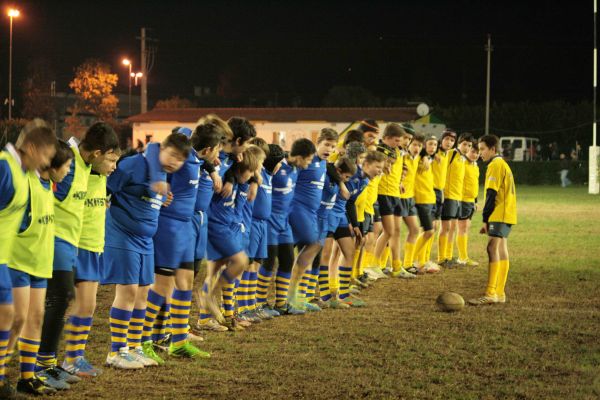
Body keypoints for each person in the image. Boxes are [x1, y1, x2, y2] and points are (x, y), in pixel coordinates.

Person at [37, 122, 119, 389]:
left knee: (83, 304)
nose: (114, 166)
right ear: (96, 153)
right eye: (110, 158)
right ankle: (43, 365)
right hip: (63, 243)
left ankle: (69, 359)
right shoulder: (70, 164)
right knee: (58, 304)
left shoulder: (89, 168)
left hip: (84, 244)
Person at [101, 133, 189, 369]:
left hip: (145, 241)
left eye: (180, 160)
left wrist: (160, 200)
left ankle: (135, 347)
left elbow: (144, 194)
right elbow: (107, 188)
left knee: (142, 294)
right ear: (162, 148)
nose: (174, 162)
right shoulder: (133, 164)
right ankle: (116, 351)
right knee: (128, 291)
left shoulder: (161, 171)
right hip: (123, 236)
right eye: (171, 154)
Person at [8, 139, 72, 395]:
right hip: (18, 263)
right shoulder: (27, 183)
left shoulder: (49, 185)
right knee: (16, 320)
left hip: (40, 265)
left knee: (34, 318)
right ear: (51, 165)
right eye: (66, 166)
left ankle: (27, 376)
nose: (68, 171)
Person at [0, 121, 56, 399]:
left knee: (17, 316)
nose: (46, 163)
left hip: (7, 259)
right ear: (32, 148)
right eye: (45, 156)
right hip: (9, 261)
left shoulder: (22, 172)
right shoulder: (4, 168)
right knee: (11, 316)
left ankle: (10, 378)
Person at [200, 148, 263, 325]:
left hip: (228, 226)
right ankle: (209, 297)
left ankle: (211, 315)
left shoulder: (240, 181)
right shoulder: (226, 179)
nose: (252, 175)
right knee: (240, 262)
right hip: (217, 227)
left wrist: (254, 177)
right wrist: (229, 179)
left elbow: (247, 194)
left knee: (216, 268)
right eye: (250, 170)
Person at [259, 139, 315, 316]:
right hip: (270, 221)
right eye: (308, 159)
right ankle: (260, 304)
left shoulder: (296, 169)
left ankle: (281, 303)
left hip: (284, 223)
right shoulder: (275, 166)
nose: (309, 163)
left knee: (288, 260)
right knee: (268, 263)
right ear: (299, 157)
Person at [287, 129, 339, 311]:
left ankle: (295, 295)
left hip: (311, 214)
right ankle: (289, 296)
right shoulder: (307, 160)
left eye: (333, 146)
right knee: (313, 245)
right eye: (326, 144)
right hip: (297, 210)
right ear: (318, 143)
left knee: (306, 251)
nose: (329, 149)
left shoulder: (324, 164)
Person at [469, 134, 517, 305]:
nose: (480, 152)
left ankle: (491, 293)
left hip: (499, 213)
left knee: (491, 248)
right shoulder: (503, 164)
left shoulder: (495, 165)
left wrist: (485, 219)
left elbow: (491, 194)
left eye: (482, 149)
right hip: (508, 213)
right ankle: (499, 293)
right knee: (501, 249)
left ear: (493, 149)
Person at [373, 123, 415, 278]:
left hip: (395, 194)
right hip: (384, 193)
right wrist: (385, 163)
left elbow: (395, 170)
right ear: (386, 138)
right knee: (388, 231)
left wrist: (400, 183)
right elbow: (381, 164)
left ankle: (397, 266)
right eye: (397, 140)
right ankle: (374, 264)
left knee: (395, 232)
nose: (400, 143)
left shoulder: (398, 151)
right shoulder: (381, 150)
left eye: (401, 140)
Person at [438, 132, 472, 268]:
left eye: (469, 145)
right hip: (448, 196)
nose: (467, 147)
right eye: (464, 144)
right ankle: (441, 258)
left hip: (458, 197)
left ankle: (449, 256)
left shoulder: (463, 159)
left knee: (452, 228)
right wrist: (442, 192)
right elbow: (442, 172)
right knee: (445, 227)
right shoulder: (451, 154)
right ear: (459, 143)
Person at [412, 135, 440, 274]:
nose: (432, 147)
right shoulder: (418, 159)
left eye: (435, 144)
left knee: (431, 230)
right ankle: (413, 261)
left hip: (430, 198)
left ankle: (422, 260)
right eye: (430, 144)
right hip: (421, 198)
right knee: (427, 231)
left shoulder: (429, 159)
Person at [398, 133, 424, 275]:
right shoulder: (402, 156)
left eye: (419, 146)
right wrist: (399, 182)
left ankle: (407, 264)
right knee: (389, 233)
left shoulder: (418, 158)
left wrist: (425, 156)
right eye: (414, 144)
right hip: (399, 197)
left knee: (415, 229)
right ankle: (380, 264)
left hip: (410, 198)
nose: (417, 148)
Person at [456, 140, 480, 267]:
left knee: (466, 228)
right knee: (462, 228)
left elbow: (474, 184)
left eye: (477, 153)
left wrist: (476, 201)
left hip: (471, 201)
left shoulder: (475, 165)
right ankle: (462, 257)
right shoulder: (462, 163)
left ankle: (464, 256)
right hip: (463, 200)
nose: (475, 155)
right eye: (473, 152)